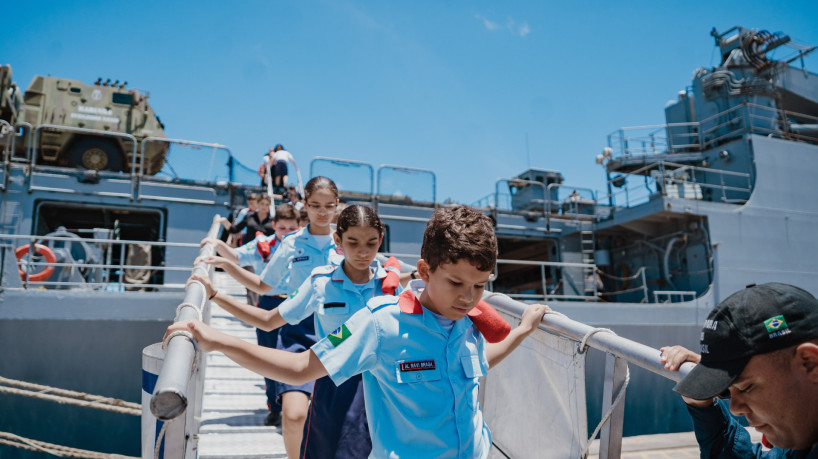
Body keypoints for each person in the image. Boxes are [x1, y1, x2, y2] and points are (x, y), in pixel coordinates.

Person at [168, 205, 550, 458]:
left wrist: (522, 332)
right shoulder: (381, 322)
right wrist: (216, 340)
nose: (469, 298)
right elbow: (301, 368)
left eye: (480, 286)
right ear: (424, 271)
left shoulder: (467, 321)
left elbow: (478, 362)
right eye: (456, 284)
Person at [193, 204, 399, 458]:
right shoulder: (321, 283)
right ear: (338, 240)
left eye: (371, 243)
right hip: (332, 383)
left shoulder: (393, 288)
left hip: (381, 389)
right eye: (353, 242)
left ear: (381, 241)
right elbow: (269, 320)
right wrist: (215, 296)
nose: (363, 252)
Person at [197, 176, 343, 458]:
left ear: (337, 205)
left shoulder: (347, 241)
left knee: (331, 420)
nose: (322, 212)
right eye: (315, 205)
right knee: (294, 415)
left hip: (340, 333)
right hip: (298, 329)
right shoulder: (291, 244)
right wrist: (226, 265)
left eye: (328, 206)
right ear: (305, 206)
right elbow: (263, 285)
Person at [660, 282, 818, 458]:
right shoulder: (805, 438)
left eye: (746, 387)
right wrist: (703, 404)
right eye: (726, 390)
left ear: (810, 363)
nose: (735, 408)